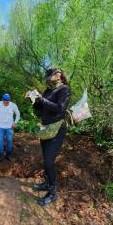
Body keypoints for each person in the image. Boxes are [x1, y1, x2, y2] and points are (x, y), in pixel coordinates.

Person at [26, 68, 71, 206]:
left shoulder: (64, 90)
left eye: (49, 76)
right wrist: (33, 100)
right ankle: (46, 183)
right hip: (46, 129)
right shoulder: (48, 90)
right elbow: (41, 109)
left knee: (49, 162)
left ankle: (53, 193)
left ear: (58, 75)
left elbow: (59, 108)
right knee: (46, 159)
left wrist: (41, 99)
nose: (47, 78)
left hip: (57, 129)